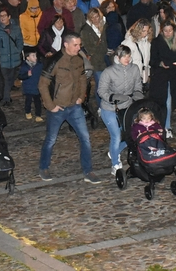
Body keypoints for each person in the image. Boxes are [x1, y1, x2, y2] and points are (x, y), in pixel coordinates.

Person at [38, 32, 102, 184]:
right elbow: (43, 84)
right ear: (66, 44)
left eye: (79, 45)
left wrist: (81, 96)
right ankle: (43, 167)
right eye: (75, 45)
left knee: (85, 138)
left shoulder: (79, 59)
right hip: (58, 107)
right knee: (51, 139)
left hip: (74, 106)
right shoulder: (55, 61)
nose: (78, 48)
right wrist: (50, 105)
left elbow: (82, 79)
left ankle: (88, 170)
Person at [98, 45, 144, 174]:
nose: (127, 59)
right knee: (116, 135)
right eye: (124, 56)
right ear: (117, 57)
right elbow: (101, 91)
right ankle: (115, 164)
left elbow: (137, 85)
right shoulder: (108, 72)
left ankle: (114, 151)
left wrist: (137, 95)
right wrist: (113, 97)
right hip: (109, 107)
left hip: (127, 106)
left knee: (131, 135)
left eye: (129, 56)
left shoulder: (134, 69)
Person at [150, 21, 176, 138]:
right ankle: (166, 126)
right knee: (165, 102)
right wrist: (160, 63)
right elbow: (152, 60)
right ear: (162, 31)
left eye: (170, 31)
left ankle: (166, 124)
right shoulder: (156, 42)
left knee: (171, 100)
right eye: (166, 31)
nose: (168, 33)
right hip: (161, 77)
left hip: (173, 75)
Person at [0, 8, 23, 107]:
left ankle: (6, 96)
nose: (2, 18)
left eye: (4, 15)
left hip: (14, 58)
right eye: (1, 16)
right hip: (3, 59)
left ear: (9, 17)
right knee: (5, 79)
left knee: (11, 78)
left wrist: (18, 50)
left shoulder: (16, 28)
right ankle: (6, 98)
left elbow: (19, 40)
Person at [121, 18, 153, 89]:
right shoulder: (129, 43)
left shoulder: (146, 42)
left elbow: (146, 60)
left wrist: (147, 74)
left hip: (143, 75)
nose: (145, 33)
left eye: (147, 31)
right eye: (143, 31)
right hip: (132, 77)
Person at [19, 47, 44, 122]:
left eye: (35, 56)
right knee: (28, 101)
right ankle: (28, 112)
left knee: (38, 102)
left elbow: (43, 73)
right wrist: (26, 75)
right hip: (28, 88)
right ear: (27, 58)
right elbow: (20, 76)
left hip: (37, 87)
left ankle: (38, 115)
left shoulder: (39, 65)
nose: (35, 57)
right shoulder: (24, 67)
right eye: (33, 56)